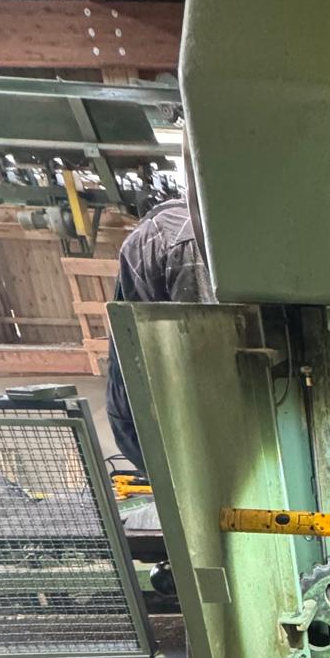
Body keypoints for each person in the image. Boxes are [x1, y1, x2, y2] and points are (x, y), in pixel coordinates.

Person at [105, 195, 212, 475]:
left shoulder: (183, 229)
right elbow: (208, 352)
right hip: (152, 422)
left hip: (155, 412)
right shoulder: (188, 240)